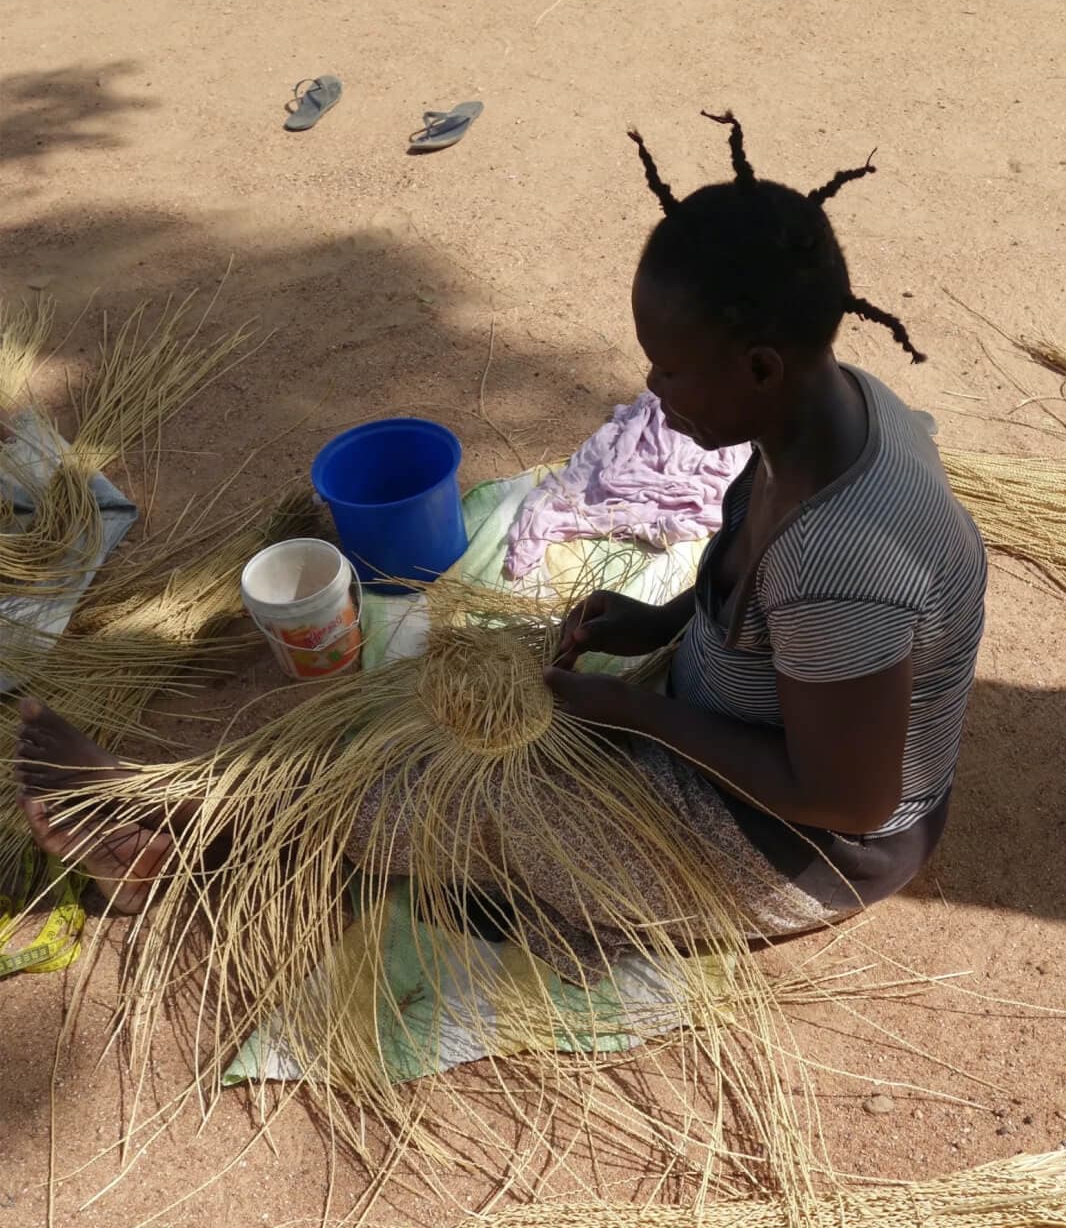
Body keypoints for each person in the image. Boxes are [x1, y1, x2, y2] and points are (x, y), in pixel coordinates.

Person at [14, 111, 986, 975]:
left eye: (674, 371)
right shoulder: (832, 409)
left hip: (793, 851)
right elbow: (751, 582)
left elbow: (849, 801)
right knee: (444, 739)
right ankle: (185, 815)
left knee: (448, 801)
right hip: (744, 743)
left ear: (764, 366)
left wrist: (629, 712)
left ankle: (167, 842)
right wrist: (656, 619)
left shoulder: (846, 560)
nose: (655, 393)